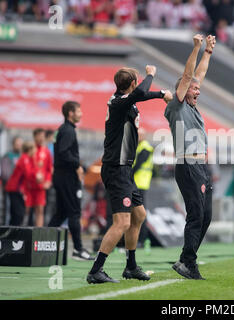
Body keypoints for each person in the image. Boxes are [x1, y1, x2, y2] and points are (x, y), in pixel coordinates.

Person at [87, 66, 172, 284]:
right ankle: (96, 270)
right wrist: (152, 74)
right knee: (122, 223)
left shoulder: (125, 100)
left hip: (124, 169)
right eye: (138, 80)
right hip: (116, 168)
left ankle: (131, 267)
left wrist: (161, 94)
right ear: (133, 82)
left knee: (139, 216)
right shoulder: (118, 102)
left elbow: (141, 95)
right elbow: (141, 93)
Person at [164, 34, 216, 280]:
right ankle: (188, 263)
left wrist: (207, 53)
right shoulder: (177, 106)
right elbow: (188, 77)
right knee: (196, 214)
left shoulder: (191, 106)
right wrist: (196, 48)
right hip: (188, 165)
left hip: (200, 166)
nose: (198, 91)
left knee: (205, 216)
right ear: (181, 90)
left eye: (197, 88)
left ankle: (186, 259)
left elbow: (198, 76)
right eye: (193, 88)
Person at [48, 101, 94, 261]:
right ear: (70, 113)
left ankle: (42, 243)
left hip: (61, 176)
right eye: (78, 110)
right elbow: (64, 153)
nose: (81, 113)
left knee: (61, 213)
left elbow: (62, 153)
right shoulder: (68, 131)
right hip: (67, 177)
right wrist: (79, 165)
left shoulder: (63, 129)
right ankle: (79, 250)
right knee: (74, 212)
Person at [5, 141, 36, 226]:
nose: (35, 151)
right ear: (30, 149)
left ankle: (11, 233)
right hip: (15, 189)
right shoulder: (25, 158)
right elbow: (28, 174)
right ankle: (13, 234)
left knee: (16, 214)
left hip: (17, 189)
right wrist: (37, 177)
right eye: (34, 149)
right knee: (18, 214)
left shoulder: (27, 158)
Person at [132, 127, 154, 244]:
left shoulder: (145, 148)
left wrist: (126, 175)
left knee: (140, 213)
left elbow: (137, 165)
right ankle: (138, 239)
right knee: (137, 213)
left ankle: (142, 238)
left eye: (140, 135)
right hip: (137, 184)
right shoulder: (139, 147)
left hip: (140, 184)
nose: (138, 136)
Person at [27, 128, 52, 227]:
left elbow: (49, 169)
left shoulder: (46, 151)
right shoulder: (30, 150)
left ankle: (38, 234)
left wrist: (48, 181)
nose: (42, 138)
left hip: (41, 187)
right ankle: (24, 233)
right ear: (35, 136)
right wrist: (34, 175)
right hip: (29, 186)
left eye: (43, 136)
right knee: (27, 210)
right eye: (40, 136)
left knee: (40, 210)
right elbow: (26, 166)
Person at [0, 136, 22, 224]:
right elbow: (5, 173)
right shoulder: (8, 156)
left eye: (20, 144)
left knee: (18, 212)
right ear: (13, 144)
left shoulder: (22, 155)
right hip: (10, 188)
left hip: (20, 188)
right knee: (8, 210)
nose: (19, 146)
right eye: (17, 144)